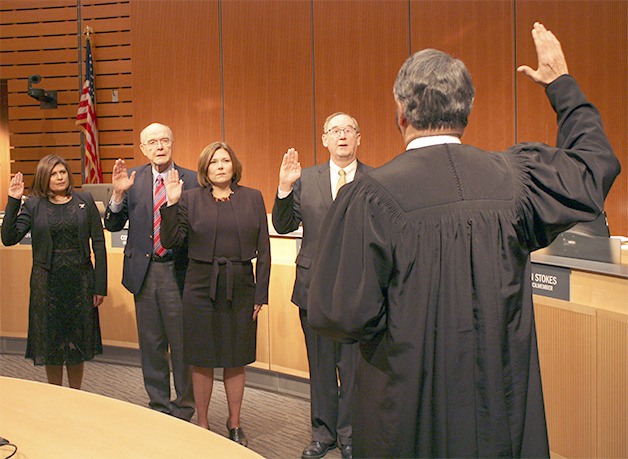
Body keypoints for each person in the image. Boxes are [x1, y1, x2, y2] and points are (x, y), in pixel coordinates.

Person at [307, 23, 620, 458]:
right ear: (466, 109)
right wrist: (561, 86)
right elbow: (594, 167)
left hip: (406, 412)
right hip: (499, 408)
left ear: (401, 111)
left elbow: (337, 314)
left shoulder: (371, 196)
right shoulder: (516, 181)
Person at [272, 112, 373, 459]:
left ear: (359, 138)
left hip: (358, 290)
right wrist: (285, 188)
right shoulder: (305, 178)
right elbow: (283, 225)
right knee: (320, 366)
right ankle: (322, 433)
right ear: (324, 139)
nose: (342, 136)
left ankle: (349, 435)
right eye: (335, 130)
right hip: (313, 288)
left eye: (348, 130)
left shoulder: (375, 180)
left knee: (352, 367)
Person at [160, 141, 270, 446]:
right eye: (213, 162)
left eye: (225, 161)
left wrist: (261, 293)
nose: (220, 166)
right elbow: (170, 242)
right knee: (202, 357)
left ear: (234, 165)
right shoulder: (189, 199)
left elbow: (264, 248)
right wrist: (170, 205)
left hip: (241, 285)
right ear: (205, 170)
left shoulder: (253, 197)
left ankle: (234, 423)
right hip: (199, 285)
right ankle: (203, 423)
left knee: (236, 357)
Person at [104, 122, 197, 420]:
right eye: (152, 142)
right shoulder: (132, 179)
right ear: (143, 149)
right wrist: (117, 197)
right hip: (143, 272)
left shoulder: (192, 180)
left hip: (177, 270)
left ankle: (184, 406)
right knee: (151, 343)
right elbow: (113, 225)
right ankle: (158, 404)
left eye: (164, 140)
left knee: (181, 343)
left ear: (172, 143)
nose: (159, 146)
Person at [2, 155, 107, 389]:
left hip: (80, 281)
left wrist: (99, 286)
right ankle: (56, 396)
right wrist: (13, 201)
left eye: (63, 172)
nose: (60, 177)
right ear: (44, 177)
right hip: (47, 283)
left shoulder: (84, 200)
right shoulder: (33, 204)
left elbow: (98, 244)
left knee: (77, 343)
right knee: (52, 343)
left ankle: (76, 394)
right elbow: (9, 238)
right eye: (53, 173)